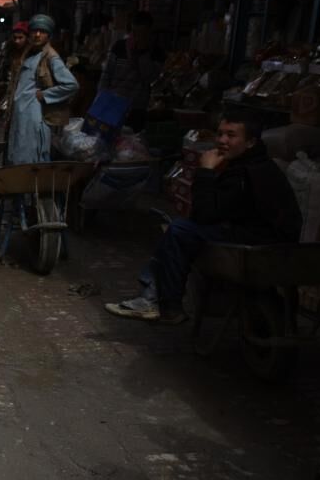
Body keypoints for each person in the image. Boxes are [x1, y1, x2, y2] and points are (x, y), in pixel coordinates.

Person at [106, 114, 302, 323]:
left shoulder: (247, 172)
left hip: (256, 243)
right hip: (260, 238)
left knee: (179, 231)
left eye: (231, 135)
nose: (222, 141)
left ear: (251, 142)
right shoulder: (253, 165)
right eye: (220, 134)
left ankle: (166, 304)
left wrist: (206, 172)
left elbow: (204, 215)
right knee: (180, 230)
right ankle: (151, 295)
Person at [5, 14, 79, 164]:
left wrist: (45, 94)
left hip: (35, 118)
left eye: (42, 31)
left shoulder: (51, 57)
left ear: (48, 35)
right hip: (20, 116)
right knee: (17, 156)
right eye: (34, 31)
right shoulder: (30, 53)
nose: (37, 35)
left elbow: (71, 85)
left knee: (32, 159)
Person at [98, 11, 165, 132]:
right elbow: (106, 74)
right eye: (134, 32)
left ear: (149, 32)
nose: (137, 36)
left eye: (141, 33)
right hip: (113, 102)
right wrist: (102, 98)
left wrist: (141, 54)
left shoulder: (155, 52)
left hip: (136, 108)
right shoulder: (119, 47)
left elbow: (149, 77)